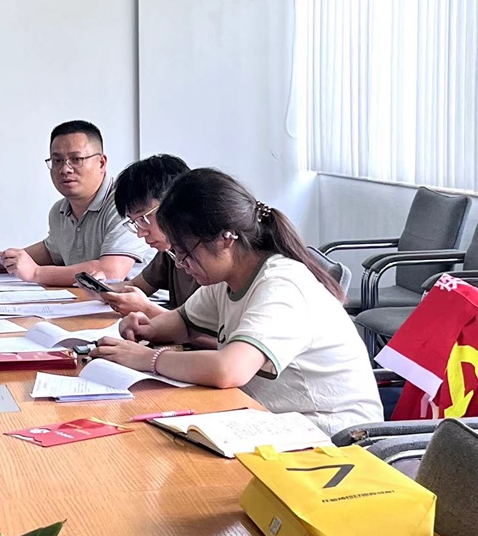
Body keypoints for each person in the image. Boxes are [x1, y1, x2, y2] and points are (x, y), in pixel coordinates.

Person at [90, 168, 383, 435]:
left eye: (184, 252)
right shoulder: (228, 278)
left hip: (334, 437)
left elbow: (229, 369)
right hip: (271, 420)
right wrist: (146, 329)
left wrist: (148, 359)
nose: (180, 263)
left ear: (225, 239)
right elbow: (182, 323)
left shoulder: (282, 285)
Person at [0, 121, 149, 286]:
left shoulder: (125, 203)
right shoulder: (59, 211)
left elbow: (111, 272)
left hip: (144, 308)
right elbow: (50, 252)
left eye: (76, 159)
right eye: (57, 161)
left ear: (101, 163)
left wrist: (36, 273)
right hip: (91, 303)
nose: (65, 169)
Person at [98, 154, 200, 317]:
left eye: (143, 219)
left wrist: (148, 309)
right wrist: (100, 289)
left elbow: (210, 330)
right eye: (134, 222)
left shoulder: (212, 254)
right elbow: (135, 287)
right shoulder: (170, 251)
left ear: (174, 202)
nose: (140, 233)